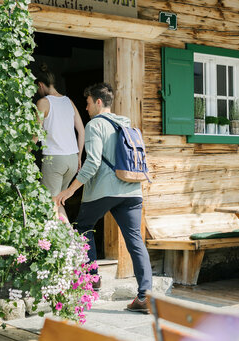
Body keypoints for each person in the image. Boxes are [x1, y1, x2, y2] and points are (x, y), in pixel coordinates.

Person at [54, 82, 152, 314]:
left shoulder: (95, 124)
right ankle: (145, 295)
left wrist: (70, 190)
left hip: (104, 190)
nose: (85, 108)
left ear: (98, 102)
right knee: (135, 241)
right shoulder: (127, 124)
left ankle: (92, 278)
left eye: (87, 103)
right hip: (132, 190)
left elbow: (93, 163)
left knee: (83, 227)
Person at [35, 65, 85, 223]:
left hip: (54, 160)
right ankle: (71, 243)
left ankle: (55, 245)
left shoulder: (43, 102)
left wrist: (23, 154)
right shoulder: (68, 101)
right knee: (58, 201)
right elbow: (82, 130)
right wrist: (79, 156)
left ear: (40, 85)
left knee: (49, 204)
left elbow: (35, 134)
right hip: (71, 159)